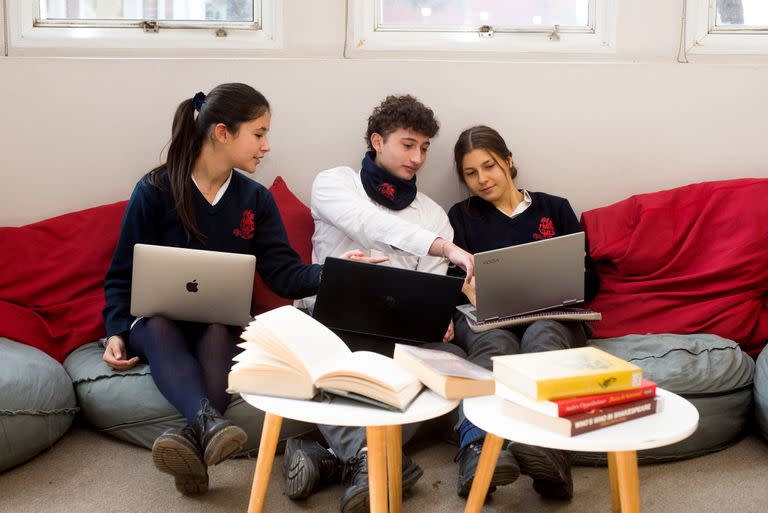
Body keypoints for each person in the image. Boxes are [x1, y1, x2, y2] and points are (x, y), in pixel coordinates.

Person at [101, 83, 381, 497]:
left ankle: (196, 438)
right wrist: (115, 331)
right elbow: (121, 273)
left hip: (220, 320)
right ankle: (207, 424)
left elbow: (283, 273)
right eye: (259, 133)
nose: (267, 146)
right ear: (222, 133)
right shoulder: (155, 191)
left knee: (219, 328)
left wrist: (334, 272)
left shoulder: (255, 199)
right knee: (158, 326)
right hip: (158, 324)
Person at [282, 95, 485, 513]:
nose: (418, 157)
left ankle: (473, 457)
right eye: (408, 144)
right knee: (315, 359)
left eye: (425, 148)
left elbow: (430, 281)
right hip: (330, 320)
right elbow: (370, 225)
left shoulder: (431, 213)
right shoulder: (335, 182)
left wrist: (440, 315)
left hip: (399, 331)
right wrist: (443, 247)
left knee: (456, 364)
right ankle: (373, 460)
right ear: (378, 140)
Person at [447, 125, 601, 501]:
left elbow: (592, 284)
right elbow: (453, 282)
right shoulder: (461, 217)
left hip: (553, 316)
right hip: (489, 319)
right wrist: (464, 287)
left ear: (509, 162)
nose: (482, 179)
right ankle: (478, 450)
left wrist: (577, 271)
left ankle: (548, 449)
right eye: (471, 173)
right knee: (492, 345)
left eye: (490, 166)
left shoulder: (556, 208)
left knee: (543, 334)